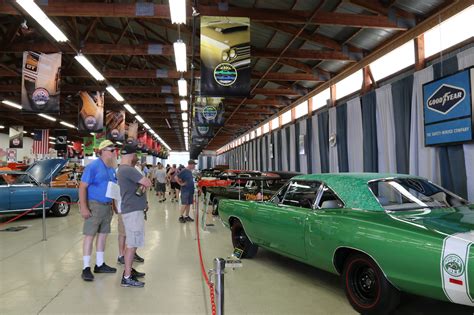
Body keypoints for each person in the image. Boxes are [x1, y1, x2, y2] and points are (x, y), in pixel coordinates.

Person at [79, 140, 118, 281]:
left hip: (107, 207)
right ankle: (86, 267)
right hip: (94, 206)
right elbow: (82, 187)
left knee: (103, 235)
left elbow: (113, 189)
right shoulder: (93, 167)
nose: (114, 152)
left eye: (114, 150)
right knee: (90, 235)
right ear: (102, 151)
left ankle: (100, 264)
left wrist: (114, 206)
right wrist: (83, 207)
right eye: (111, 150)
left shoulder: (111, 168)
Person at [117, 143, 152, 287]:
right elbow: (148, 182)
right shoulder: (128, 169)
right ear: (131, 155)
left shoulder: (122, 169)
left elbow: (142, 185)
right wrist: (144, 184)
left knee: (132, 242)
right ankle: (127, 277)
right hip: (132, 212)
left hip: (131, 209)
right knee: (132, 244)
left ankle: (129, 269)